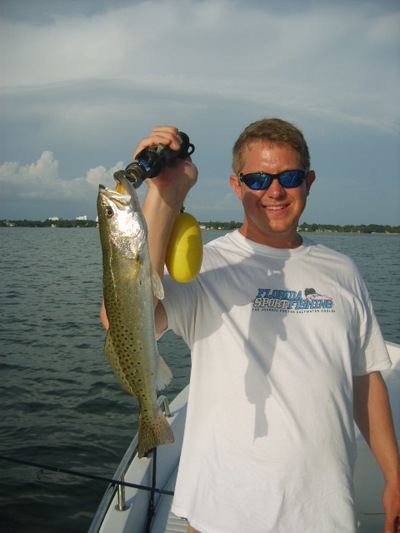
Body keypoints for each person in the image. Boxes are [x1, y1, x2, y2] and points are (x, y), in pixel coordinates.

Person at [102, 119, 400, 532]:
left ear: (309, 182)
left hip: (327, 517)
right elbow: (122, 320)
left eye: (290, 177)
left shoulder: (344, 271)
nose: (274, 191)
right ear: (236, 185)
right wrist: (164, 194)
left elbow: (364, 377)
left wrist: (394, 476)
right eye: (258, 178)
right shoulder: (209, 269)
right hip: (222, 517)